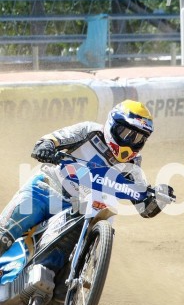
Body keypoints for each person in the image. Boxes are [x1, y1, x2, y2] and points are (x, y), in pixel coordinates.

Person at [0, 101, 172, 259]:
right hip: (47, 189)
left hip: (77, 212)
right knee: (4, 234)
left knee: (62, 261)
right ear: (113, 125)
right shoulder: (88, 131)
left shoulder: (133, 164)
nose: (131, 142)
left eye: (139, 138)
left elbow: (144, 207)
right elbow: (51, 139)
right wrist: (46, 147)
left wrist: (158, 198)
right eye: (127, 134)